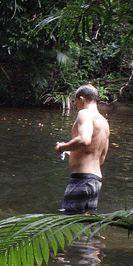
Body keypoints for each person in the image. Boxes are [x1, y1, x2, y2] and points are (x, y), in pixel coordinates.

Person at [55, 84, 110, 214]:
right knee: (85, 227)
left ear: (82, 98)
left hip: (81, 180)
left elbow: (84, 140)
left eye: (75, 101)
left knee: (68, 224)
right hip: (95, 182)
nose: (76, 105)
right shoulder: (104, 122)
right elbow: (100, 158)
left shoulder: (85, 113)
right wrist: (71, 152)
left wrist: (61, 146)